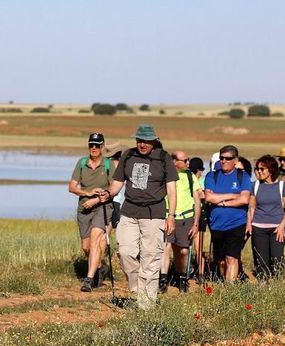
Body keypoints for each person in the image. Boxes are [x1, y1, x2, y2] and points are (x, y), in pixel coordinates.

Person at [106, 124, 178, 310]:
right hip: (129, 211)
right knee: (125, 252)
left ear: (153, 141)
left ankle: (146, 305)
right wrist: (106, 195)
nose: (142, 144)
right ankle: (138, 290)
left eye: (146, 141)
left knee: (151, 257)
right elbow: (117, 184)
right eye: (139, 140)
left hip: (154, 214)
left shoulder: (163, 158)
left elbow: (171, 190)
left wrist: (171, 216)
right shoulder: (128, 156)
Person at [69, 133, 114, 292]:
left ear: (102, 147)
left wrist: (99, 197)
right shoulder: (81, 163)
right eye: (91, 145)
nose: (94, 148)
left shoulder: (108, 164)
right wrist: (88, 193)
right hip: (84, 208)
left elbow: (113, 188)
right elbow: (72, 187)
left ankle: (88, 280)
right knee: (87, 247)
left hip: (103, 208)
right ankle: (99, 268)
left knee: (96, 239)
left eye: (97, 145)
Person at [203, 145, 252, 283]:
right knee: (220, 260)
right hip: (216, 225)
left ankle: (229, 288)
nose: (224, 161)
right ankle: (223, 280)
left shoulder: (243, 177)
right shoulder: (212, 175)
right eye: (222, 158)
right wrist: (232, 195)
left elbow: (244, 199)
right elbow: (209, 198)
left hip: (236, 223)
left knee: (232, 258)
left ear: (235, 160)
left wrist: (221, 201)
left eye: (228, 158)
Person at [246, 155, 285, 279]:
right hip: (258, 228)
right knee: (261, 260)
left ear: (270, 170)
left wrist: (282, 226)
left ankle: (279, 284)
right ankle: (264, 283)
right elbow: (251, 207)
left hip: (277, 228)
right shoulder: (255, 185)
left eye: (262, 169)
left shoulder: (282, 186)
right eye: (257, 169)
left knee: (277, 259)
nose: (259, 172)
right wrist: (249, 224)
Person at [164, 151, 202, 291]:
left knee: (183, 251)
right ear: (174, 162)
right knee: (165, 248)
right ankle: (163, 280)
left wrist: (196, 223)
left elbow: (197, 201)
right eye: (185, 160)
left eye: (188, 160)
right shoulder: (165, 174)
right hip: (168, 217)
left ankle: (182, 277)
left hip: (186, 218)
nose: (188, 163)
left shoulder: (190, 176)